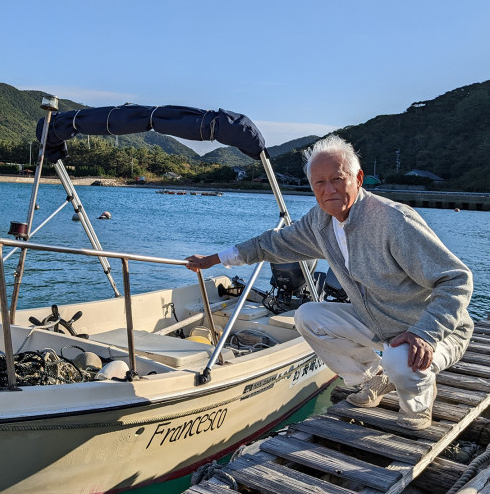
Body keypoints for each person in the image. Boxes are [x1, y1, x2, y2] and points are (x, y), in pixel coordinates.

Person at [185, 134, 473, 430]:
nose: (329, 190)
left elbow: (457, 279)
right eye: (319, 183)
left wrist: (426, 332)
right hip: (380, 322)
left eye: (337, 179)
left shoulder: (393, 221)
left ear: (358, 178)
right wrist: (216, 259)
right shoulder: (319, 222)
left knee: (400, 359)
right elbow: (271, 244)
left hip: (434, 331)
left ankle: (417, 406)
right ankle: (374, 378)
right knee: (308, 316)